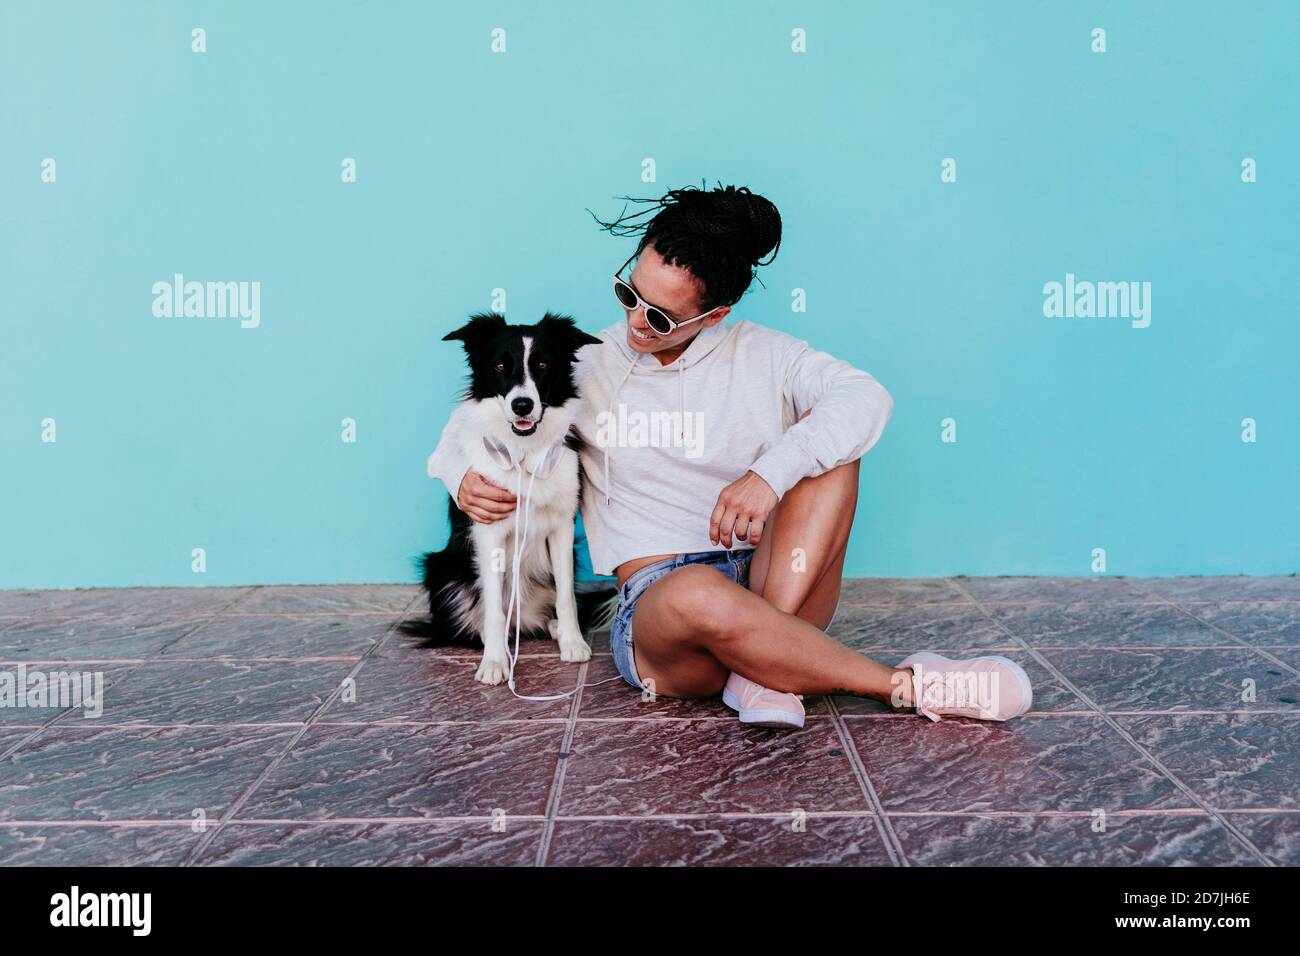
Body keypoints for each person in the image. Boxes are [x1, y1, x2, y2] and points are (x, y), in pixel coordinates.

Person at [429, 183, 1032, 729]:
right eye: (628, 294)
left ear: (714, 314)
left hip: (776, 580)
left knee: (836, 456)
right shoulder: (587, 360)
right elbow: (466, 426)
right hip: (666, 618)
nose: (637, 321)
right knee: (696, 590)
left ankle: (760, 666)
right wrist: (459, 478)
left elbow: (866, 398)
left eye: (660, 316)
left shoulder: (764, 355)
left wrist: (768, 476)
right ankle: (901, 685)